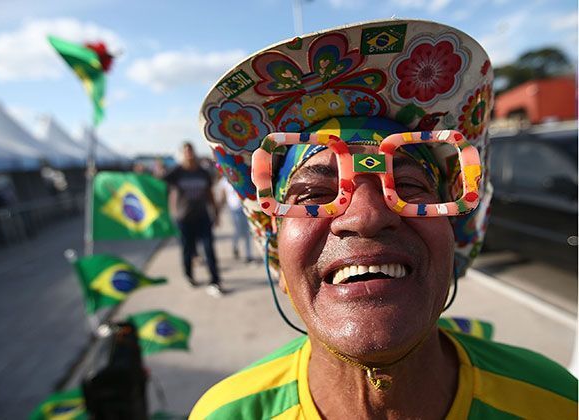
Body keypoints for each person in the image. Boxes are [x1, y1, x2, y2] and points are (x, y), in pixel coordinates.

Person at [190, 19, 577, 418]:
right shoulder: (224, 413)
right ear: (276, 254)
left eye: (408, 186)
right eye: (314, 194)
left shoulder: (555, 402)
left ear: (454, 235)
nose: (367, 216)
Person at [164, 142, 223, 297]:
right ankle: (189, 276)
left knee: (209, 249)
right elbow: (160, 184)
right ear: (182, 154)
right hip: (184, 219)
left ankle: (215, 280)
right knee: (187, 249)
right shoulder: (177, 172)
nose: (189, 154)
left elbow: (209, 194)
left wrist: (215, 213)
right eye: (186, 151)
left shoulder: (203, 172)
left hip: (202, 216)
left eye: (190, 150)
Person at [216, 174, 254, 262]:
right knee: (238, 230)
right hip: (234, 209)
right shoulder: (224, 181)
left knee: (247, 232)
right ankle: (235, 246)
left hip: (245, 207)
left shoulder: (243, 175)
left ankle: (248, 255)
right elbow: (223, 197)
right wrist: (218, 212)